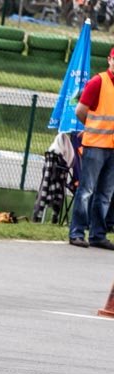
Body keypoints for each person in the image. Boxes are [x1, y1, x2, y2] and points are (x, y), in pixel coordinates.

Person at [72, 49, 114, 249]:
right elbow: (80, 110)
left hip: (112, 148)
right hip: (96, 145)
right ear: (109, 60)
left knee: (105, 194)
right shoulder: (98, 82)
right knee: (87, 190)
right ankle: (77, 233)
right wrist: (91, 128)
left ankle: (98, 235)